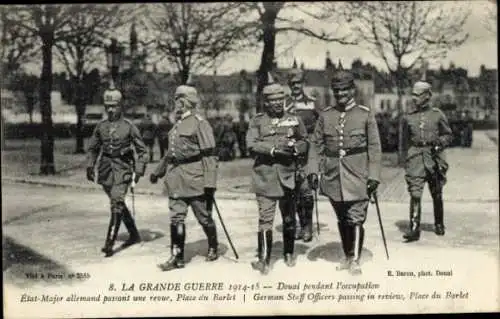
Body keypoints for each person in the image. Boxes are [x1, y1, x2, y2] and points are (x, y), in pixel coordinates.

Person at [312, 62, 382, 275]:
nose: (341, 94)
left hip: (358, 174)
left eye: (345, 89)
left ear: (353, 90)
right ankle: (348, 253)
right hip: (334, 176)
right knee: (342, 218)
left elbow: (374, 147)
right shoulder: (325, 115)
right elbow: (316, 145)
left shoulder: (364, 114)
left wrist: (374, 176)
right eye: (337, 90)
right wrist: (313, 171)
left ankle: (355, 260)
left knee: (356, 217)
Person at [149, 84, 219, 271]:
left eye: (180, 100)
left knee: (204, 217)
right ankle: (177, 257)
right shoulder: (177, 124)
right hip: (176, 179)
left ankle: (213, 246)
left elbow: (209, 155)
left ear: (188, 102)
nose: (176, 104)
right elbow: (171, 154)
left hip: (195, 179)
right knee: (176, 218)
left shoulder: (200, 123)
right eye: (176, 100)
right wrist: (158, 171)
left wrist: (210, 182)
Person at [246, 74, 309, 275]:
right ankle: (264, 259)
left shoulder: (294, 120)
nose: (276, 105)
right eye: (272, 101)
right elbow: (251, 144)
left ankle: (289, 253)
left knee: (289, 218)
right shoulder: (257, 121)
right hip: (265, 178)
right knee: (265, 219)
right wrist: (273, 151)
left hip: (289, 177)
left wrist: (297, 149)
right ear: (265, 103)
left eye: (279, 100)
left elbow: (305, 141)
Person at [86, 85, 148, 257]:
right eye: (108, 107)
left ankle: (109, 243)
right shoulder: (101, 127)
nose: (111, 110)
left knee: (117, 202)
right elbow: (93, 148)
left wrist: (139, 171)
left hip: (123, 169)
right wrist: (90, 166)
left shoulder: (129, 127)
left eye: (114, 106)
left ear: (121, 106)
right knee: (117, 202)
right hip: (106, 170)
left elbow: (143, 151)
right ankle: (134, 234)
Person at [401, 80, 453, 242]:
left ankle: (439, 223)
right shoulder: (408, 117)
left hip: (434, 157)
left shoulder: (438, 114)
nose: (414, 98)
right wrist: (406, 159)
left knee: (436, 192)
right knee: (415, 193)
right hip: (415, 157)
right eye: (413, 95)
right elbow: (404, 141)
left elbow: (448, 135)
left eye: (418, 95)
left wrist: (440, 143)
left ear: (427, 96)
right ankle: (414, 228)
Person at [285, 66, 320, 242]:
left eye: (298, 82)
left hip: (308, 150)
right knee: (295, 191)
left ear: (302, 83)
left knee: (306, 190)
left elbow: (319, 124)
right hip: (291, 150)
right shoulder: (285, 103)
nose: (295, 86)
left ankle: (308, 226)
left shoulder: (311, 102)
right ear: (289, 85)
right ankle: (300, 223)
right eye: (292, 83)